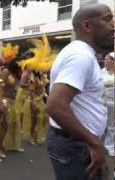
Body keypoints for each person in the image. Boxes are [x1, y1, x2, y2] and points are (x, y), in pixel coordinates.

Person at [46, 4, 114, 180]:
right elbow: (55, 105)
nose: (113, 25)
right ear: (87, 26)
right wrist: (94, 143)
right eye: (107, 18)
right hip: (77, 147)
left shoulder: (81, 53)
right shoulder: (80, 57)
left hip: (79, 144)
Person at [101, 52, 115, 156]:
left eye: (107, 59)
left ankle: (109, 146)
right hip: (101, 103)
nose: (105, 61)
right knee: (99, 124)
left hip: (113, 104)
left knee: (111, 125)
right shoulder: (100, 73)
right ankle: (97, 145)